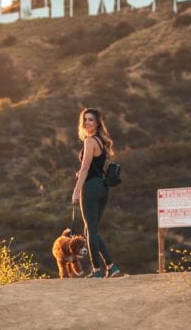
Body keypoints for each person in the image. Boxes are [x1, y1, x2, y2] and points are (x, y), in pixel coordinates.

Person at [71, 107, 121, 278]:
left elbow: (85, 168)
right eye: (85, 119)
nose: (86, 122)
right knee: (91, 230)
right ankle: (111, 266)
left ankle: (97, 270)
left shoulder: (90, 141)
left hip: (91, 189)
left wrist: (76, 191)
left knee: (90, 230)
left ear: (97, 122)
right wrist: (82, 174)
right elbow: (94, 167)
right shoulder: (102, 141)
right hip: (102, 188)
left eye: (91, 119)